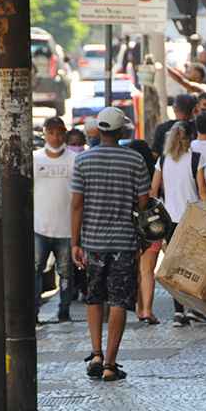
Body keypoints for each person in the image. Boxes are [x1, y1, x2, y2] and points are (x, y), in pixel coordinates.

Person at [71, 107, 151, 381]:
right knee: (119, 301)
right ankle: (110, 364)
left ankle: (95, 353)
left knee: (94, 297)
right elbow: (143, 203)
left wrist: (75, 243)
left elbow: (76, 205)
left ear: (99, 130)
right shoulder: (135, 160)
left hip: (92, 241)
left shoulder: (82, 161)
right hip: (124, 241)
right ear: (121, 131)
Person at [147, 122, 202, 327]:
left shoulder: (163, 160)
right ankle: (195, 308)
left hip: (170, 220)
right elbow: (203, 190)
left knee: (174, 267)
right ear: (189, 138)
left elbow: (153, 190)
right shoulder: (196, 158)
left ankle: (178, 312)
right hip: (193, 218)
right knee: (194, 265)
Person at [34, 117, 76, 323]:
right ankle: (33, 313)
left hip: (67, 228)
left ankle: (64, 311)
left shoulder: (74, 159)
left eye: (59, 133)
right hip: (39, 227)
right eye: (51, 133)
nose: (55, 137)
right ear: (45, 134)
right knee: (35, 270)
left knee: (66, 274)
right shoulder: (35, 159)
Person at [151, 94, 197, 158]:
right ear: (193, 110)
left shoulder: (161, 128)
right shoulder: (199, 128)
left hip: (166, 166)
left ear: (174, 108)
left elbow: (155, 154)